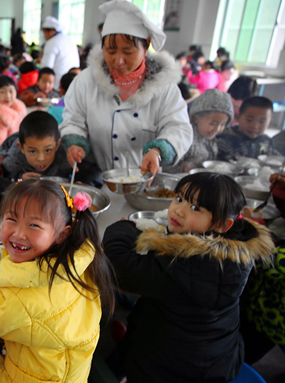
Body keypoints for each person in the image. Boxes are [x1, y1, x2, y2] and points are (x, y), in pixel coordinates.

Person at [102, 173, 273, 383]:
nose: (178, 210)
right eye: (179, 198)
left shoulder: (191, 263)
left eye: (195, 208)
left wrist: (126, 227)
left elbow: (120, 267)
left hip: (170, 369)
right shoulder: (237, 248)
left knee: (130, 351)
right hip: (219, 358)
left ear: (223, 224)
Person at [0, 179, 116, 382]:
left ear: (62, 234)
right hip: (62, 373)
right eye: (11, 219)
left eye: (34, 225)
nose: (19, 233)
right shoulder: (82, 260)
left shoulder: (24, 298)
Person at [60, 0, 192, 178]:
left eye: (128, 52)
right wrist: (75, 142)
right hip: (95, 181)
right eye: (110, 51)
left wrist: (159, 150)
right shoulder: (86, 81)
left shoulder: (165, 87)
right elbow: (73, 121)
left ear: (146, 45)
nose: (118, 61)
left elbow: (179, 129)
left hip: (143, 181)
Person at [239, 172, 285, 365]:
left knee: (243, 354)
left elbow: (274, 262)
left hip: (272, 317)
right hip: (263, 303)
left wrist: (254, 232)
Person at [164, 89, 234, 173]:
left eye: (223, 124)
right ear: (196, 118)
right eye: (213, 123)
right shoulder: (185, 139)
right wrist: (183, 168)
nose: (217, 129)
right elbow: (166, 167)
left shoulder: (210, 139)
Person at [0, 111, 72, 181]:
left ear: (57, 145)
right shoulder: (12, 163)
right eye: (33, 151)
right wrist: (20, 179)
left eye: (47, 150)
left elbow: (75, 177)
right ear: (21, 147)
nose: (41, 159)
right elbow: (5, 183)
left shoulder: (67, 157)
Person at [217, 96, 279, 160]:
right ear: (238, 117)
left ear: (269, 122)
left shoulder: (266, 141)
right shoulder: (223, 137)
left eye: (262, 122)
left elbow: (275, 159)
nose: (255, 126)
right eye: (249, 120)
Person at [0, 75, 27, 164]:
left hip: (17, 155)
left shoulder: (18, 109)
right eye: (3, 92)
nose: (8, 96)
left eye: (11, 91)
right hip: (1, 162)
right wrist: (20, 152)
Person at [39, 16, 80, 90]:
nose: (44, 36)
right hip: (72, 82)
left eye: (45, 32)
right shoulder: (69, 39)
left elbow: (46, 68)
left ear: (52, 31)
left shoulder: (51, 42)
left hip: (57, 85)